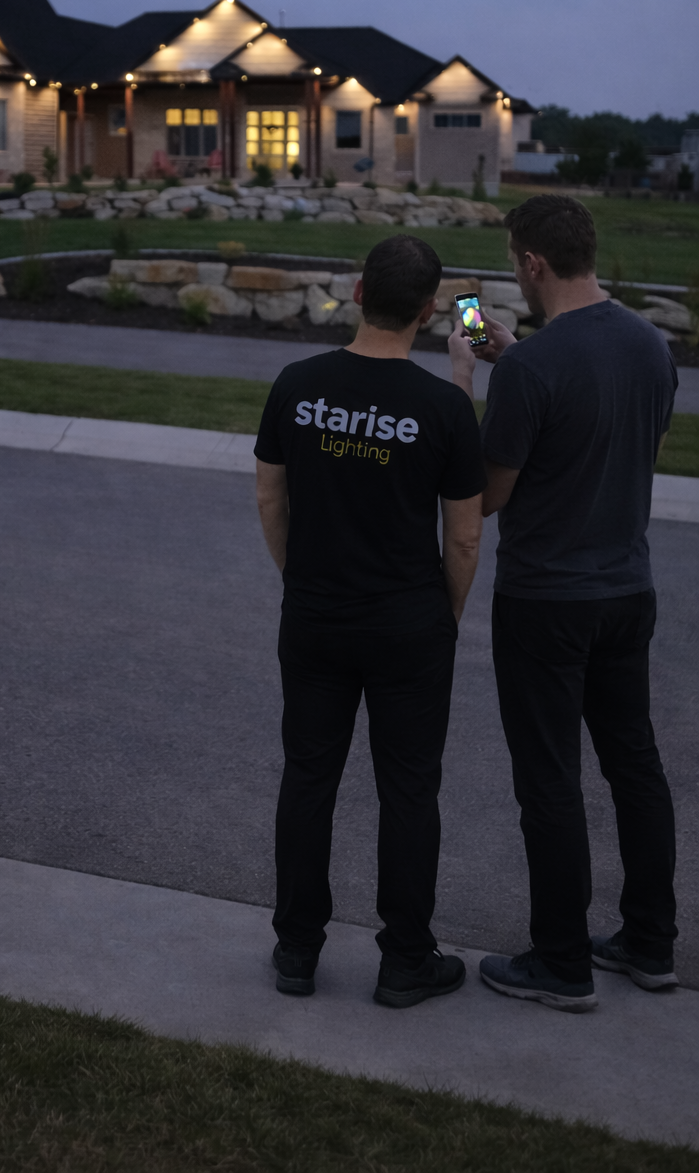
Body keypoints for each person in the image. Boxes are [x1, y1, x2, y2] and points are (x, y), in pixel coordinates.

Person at [448, 194, 678, 1012]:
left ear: (533, 263)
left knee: (549, 780)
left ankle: (561, 962)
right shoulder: (650, 347)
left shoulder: (533, 371)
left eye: (515, 260)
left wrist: (470, 376)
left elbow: (486, 495)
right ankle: (651, 942)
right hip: (627, 589)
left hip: (547, 599)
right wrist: (516, 357)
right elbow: (611, 439)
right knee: (635, 766)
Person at [255, 234, 484, 1007]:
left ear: (357, 293)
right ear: (429, 311)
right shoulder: (444, 410)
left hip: (316, 615)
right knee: (409, 790)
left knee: (309, 777)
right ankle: (405, 959)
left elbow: (269, 497)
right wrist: (445, 614)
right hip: (407, 624)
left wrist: (300, 578)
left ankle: (296, 949)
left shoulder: (297, 385)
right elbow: (464, 537)